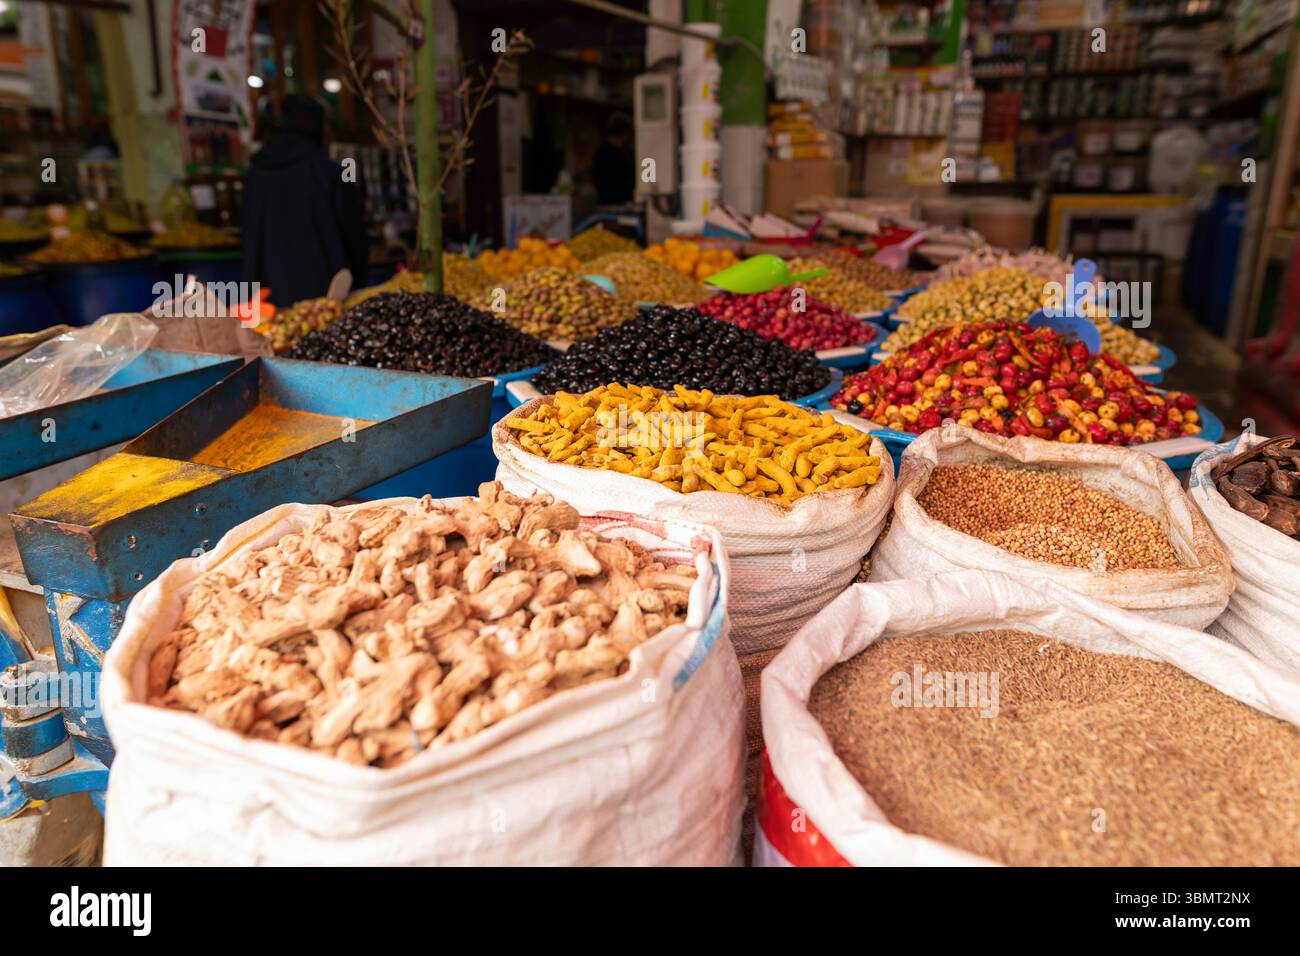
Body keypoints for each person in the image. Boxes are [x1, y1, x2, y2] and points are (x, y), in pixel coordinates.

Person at [241, 95, 368, 305]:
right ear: (315, 125)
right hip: (323, 299)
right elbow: (354, 235)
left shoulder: (255, 173)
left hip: (267, 299)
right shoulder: (331, 173)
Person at [592, 113, 636, 206]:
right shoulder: (608, 152)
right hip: (615, 202)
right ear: (624, 133)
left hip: (609, 201)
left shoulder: (602, 150)